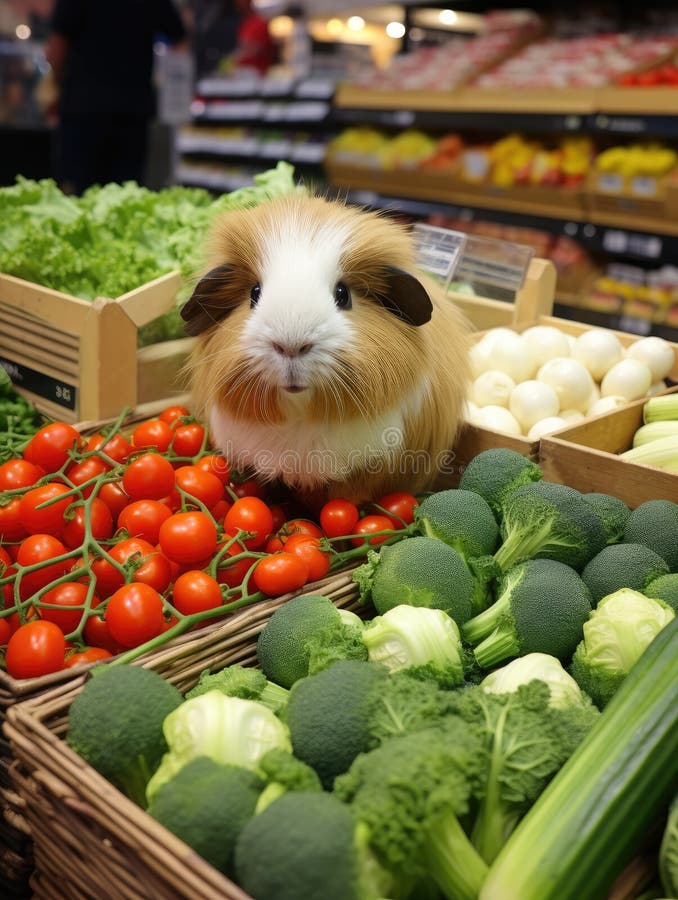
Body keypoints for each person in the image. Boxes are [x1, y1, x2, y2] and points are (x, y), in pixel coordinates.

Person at [45, 0, 187, 195]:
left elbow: (57, 48)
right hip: (132, 109)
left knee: (77, 193)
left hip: (85, 109)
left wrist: (55, 87)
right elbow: (180, 39)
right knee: (125, 193)